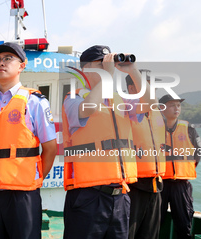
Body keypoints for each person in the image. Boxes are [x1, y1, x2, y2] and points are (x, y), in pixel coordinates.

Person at [62, 45, 156, 239]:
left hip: (120, 196)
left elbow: (149, 103)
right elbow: (88, 109)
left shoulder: (120, 100)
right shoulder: (73, 98)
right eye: (102, 64)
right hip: (87, 197)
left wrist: (133, 70)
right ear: (86, 69)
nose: (108, 68)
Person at [0, 42, 57, 239]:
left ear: (22, 65)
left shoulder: (34, 102)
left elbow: (50, 148)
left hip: (22, 195)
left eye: (8, 58)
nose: (1, 63)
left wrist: (35, 178)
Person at [126, 70, 166, 239]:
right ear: (131, 88)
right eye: (147, 85)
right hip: (133, 185)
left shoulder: (157, 114)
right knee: (128, 234)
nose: (152, 89)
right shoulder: (124, 109)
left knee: (150, 235)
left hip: (155, 185)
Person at [159, 94, 201, 239]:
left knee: (184, 225)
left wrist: (184, 170)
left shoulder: (189, 129)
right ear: (162, 108)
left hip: (181, 185)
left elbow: (197, 154)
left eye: (178, 105)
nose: (176, 108)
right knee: (155, 223)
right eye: (172, 105)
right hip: (160, 184)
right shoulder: (154, 129)